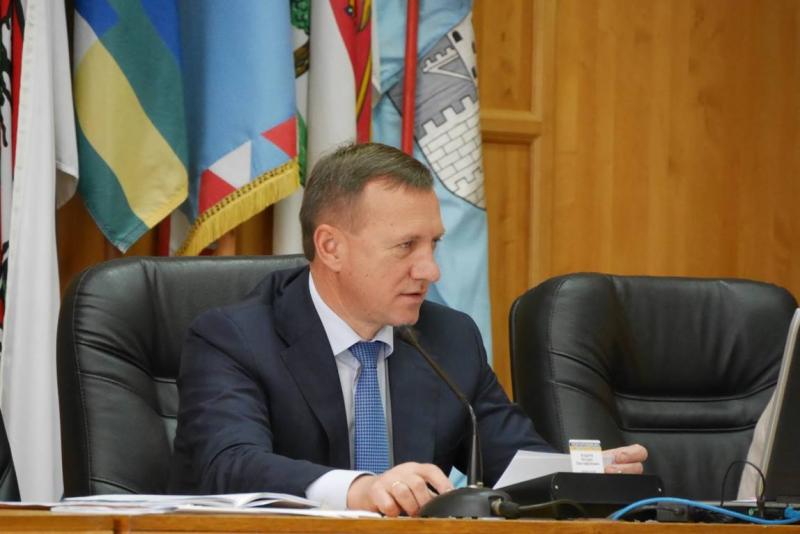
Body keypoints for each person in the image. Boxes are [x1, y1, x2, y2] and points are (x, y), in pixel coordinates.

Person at [169, 142, 647, 516]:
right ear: (331, 247)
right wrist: (361, 489)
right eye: (405, 246)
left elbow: (513, 463)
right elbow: (228, 464)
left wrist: (583, 476)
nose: (430, 270)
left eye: (433, 244)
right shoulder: (234, 338)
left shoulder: (449, 338)